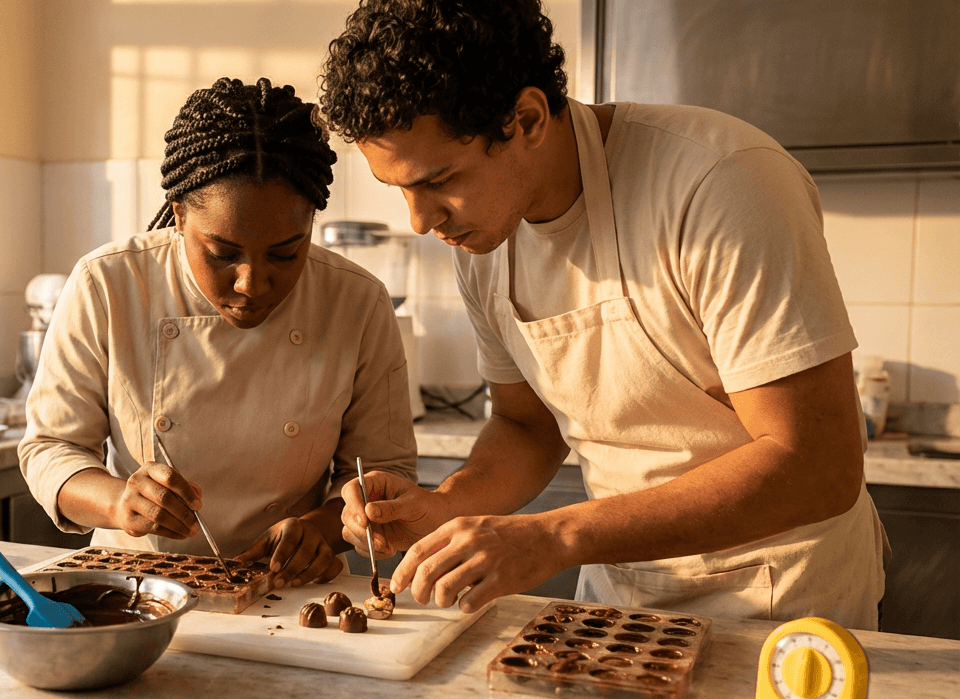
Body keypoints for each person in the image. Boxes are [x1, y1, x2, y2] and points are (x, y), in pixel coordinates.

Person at [320, 0, 887, 628]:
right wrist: (443, 505)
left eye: (438, 180)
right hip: (620, 594)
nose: (420, 221)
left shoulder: (720, 184)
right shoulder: (485, 239)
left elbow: (816, 464)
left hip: (780, 598)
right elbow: (527, 427)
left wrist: (557, 537)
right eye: (399, 189)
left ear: (528, 119)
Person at [19, 77, 417, 590]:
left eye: (284, 252)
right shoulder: (110, 283)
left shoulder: (357, 301)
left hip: (294, 591)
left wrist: (321, 528)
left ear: (312, 224)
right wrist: (119, 501)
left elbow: (382, 472)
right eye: (223, 253)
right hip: (138, 588)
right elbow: (50, 449)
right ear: (180, 216)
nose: (252, 283)